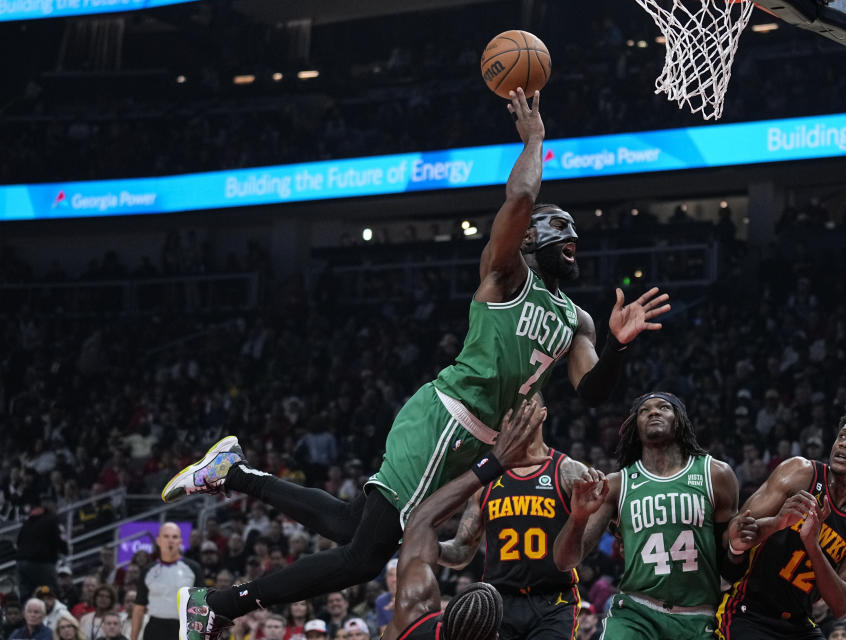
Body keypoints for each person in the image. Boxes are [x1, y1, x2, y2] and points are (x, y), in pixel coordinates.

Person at [166, 87, 671, 637]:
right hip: (447, 420)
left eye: (576, 231)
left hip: (469, 439)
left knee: (355, 526)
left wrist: (619, 346)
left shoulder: (577, 320)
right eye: (559, 227)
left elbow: (593, 390)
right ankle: (218, 603)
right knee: (364, 558)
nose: (573, 236)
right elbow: (521, 199)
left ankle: (233, 472)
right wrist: (536, 141)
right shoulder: (505, 275)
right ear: (528, 238)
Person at [553, 392, 745, 639]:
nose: (653, 412)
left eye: (664, 407)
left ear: (680, 420)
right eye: (644, 410)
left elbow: (729, 564)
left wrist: (738, 549)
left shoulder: (716, 475)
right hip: (637, 612)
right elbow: (564, 561)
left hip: (698, 616)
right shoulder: (618, 485)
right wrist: (578, 517)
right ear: (634, 426)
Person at [715, 406, 846, 640]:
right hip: (749, 611)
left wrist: (813, 546)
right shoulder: (800, 472)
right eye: (842, 436)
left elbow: (843, 606)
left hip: (799, 623)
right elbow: (733, 536)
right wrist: (777, 522)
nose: (845, 444)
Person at [382, 398, 548, 640]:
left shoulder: (413, 615)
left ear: (444, 617)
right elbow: (422, 521)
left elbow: (420, 519)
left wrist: (494, 463)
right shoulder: (416, 609)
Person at [437, 393, 588, 640]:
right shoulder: (484, 478)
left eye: (529, 404)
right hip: (498, 602)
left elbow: (587, 541)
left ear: (544, 413)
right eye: (514, 405)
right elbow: (462, 550)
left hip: (553, 599)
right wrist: (432, 548)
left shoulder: (568, 471)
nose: (522, 411)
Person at [130, 523, 201, 640]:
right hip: (154, 629)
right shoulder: (148, 570)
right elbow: (139, 608)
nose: (170, 540)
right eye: (166, 536)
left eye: (174, 537)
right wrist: (133, 638)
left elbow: (202, 606)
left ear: (180, 541)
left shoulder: (193, 568)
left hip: (184, 629)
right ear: (158, 541)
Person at [16, 502, 67, 602]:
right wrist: (65, 550)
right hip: (41, 562)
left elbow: (18, 541)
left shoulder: (28, 522)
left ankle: (28, 614)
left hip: (21, 562)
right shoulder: (51, 520)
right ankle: (54, 614)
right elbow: (59, 539)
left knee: (27, 595)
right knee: (49, 591)